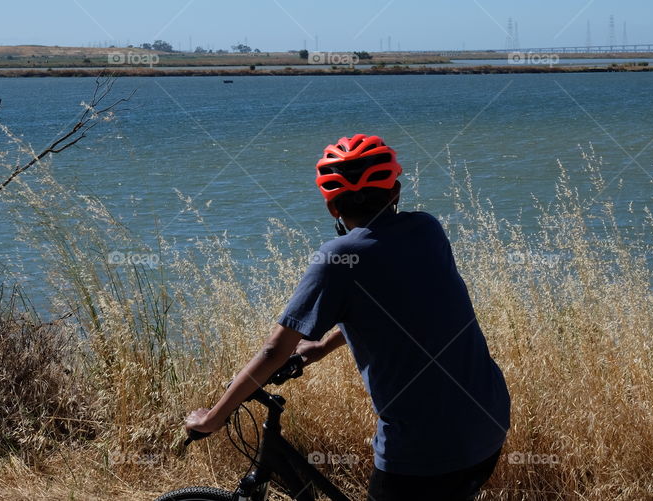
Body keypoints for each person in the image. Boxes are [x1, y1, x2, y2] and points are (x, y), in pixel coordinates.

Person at [185, 134, 510, 500]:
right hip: (489, 419)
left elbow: (274, 351)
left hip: (423, 450)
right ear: (395, 192)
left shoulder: (337, 258)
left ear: (332, 209)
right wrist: (322, 345)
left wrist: (212, 418)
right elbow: (395, 305)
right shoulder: (427, 229)